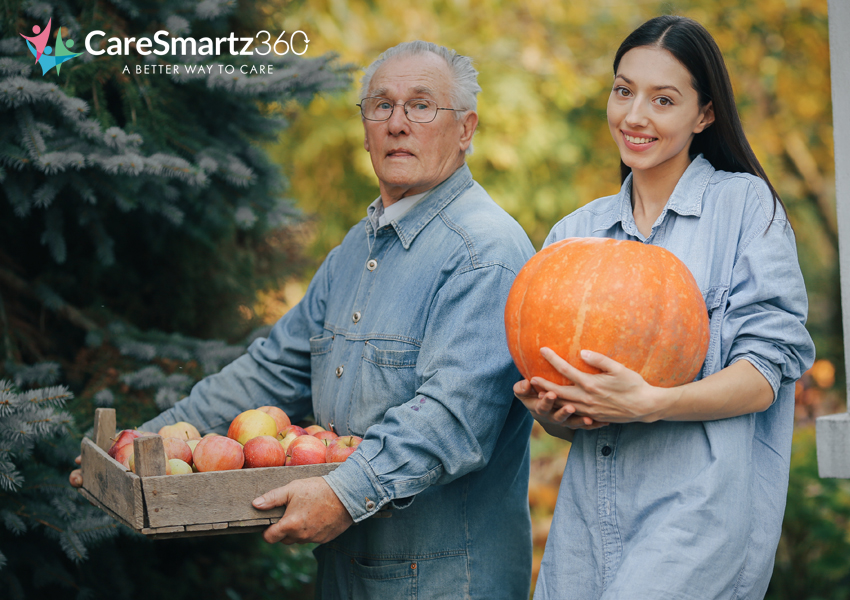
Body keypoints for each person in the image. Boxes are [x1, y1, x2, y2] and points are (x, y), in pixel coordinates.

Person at [72, 41, 535, 598]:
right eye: (380, 106)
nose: (397, 124)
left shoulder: (484, 252)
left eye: (420, 105)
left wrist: (343, 492)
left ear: (465, 128)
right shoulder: (355, 252)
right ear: (364, 129)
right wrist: (144, 448)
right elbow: (271, 371)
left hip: (444, 581)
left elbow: (451, 418)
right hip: (349, 574)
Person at [514, 16, 815, 600]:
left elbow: (765, 374)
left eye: (663, 99)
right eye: (623, 90)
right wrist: (552, 409)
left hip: (695, 518)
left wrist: (654, 404)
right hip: (584, 528)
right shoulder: (575, 233)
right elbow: (566, 425)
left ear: (704, 115)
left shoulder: (744, 207)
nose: (634, 116)